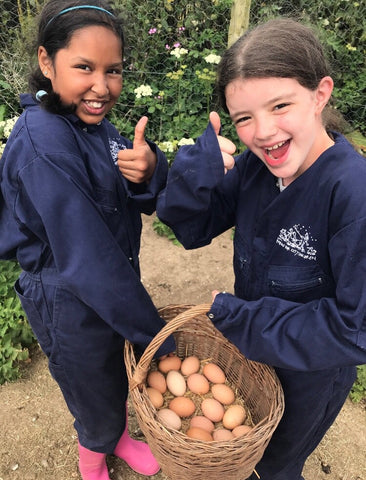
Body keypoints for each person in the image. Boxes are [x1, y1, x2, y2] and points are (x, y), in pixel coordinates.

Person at [157, 18, 366, 480]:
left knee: (276, 463)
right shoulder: (256, 168)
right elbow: (191, 230)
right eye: (244, 118)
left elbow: (357, 328)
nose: (264, 131)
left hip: (312, 375)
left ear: (320, 94)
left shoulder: (353, 195)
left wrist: (244, 319)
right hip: (255, 356)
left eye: (280, 105)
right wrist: (194, 178)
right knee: (245, 445)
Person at [0, 1, 175, 479]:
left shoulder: (92, 124)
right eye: (84, 68)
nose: (102, 86)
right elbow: (85, 255)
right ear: (45, 62)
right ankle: (93, 454)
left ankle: (115, 436)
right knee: (87, 381)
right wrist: (152, 333)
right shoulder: (43, 141)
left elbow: (126, 182)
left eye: (113, 70)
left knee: (112, 369)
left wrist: (147, 171)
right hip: (66, 293)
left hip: (106, 282)